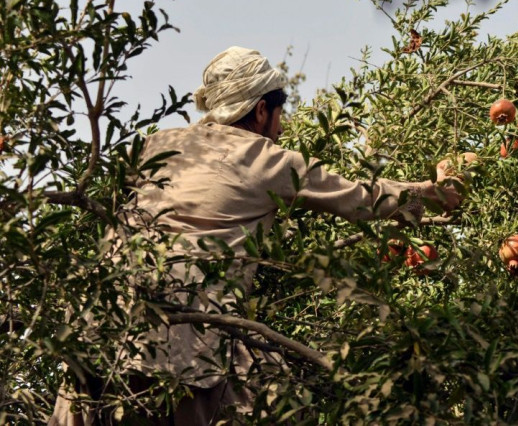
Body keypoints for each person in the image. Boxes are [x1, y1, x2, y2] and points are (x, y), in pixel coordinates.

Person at [49, 47, 462, 425]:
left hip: (96, 326)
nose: (281, 130)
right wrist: (435, 191)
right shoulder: (266, 160)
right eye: (280, 117)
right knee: (281, 406)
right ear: (262, 110)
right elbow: (362, 197)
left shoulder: (156, 143)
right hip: (183, 340)